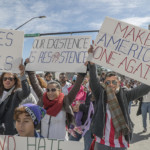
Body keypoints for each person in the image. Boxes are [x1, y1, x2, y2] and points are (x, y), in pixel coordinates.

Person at [86, 45, 150, 150]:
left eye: (114, 81)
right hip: (102, 141)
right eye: (108, 82)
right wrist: (91, 60)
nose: (111, 84)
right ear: (104, 82)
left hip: (120, 143)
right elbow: (93, 80)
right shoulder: (100, 94)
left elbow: (144, 88)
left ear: (119, 82)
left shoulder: (125, 95)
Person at [25, 59, 86, 140]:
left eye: (53, 90)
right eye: (48, 90)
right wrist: (30, 69)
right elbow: (35, 84)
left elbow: (76, 86)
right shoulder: (43, 99)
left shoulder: (65, 100)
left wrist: (82, 72)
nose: (50, 93)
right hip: (44, 144)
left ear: (59, 91)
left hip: (61, 144)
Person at [0, 63, 30, 135]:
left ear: (15, 81)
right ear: (2, 81)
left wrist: (22, 76)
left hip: (9, 131)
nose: (7, 80)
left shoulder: (17, 92)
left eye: (10, 79)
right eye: (5, 79)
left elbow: (26, 92)